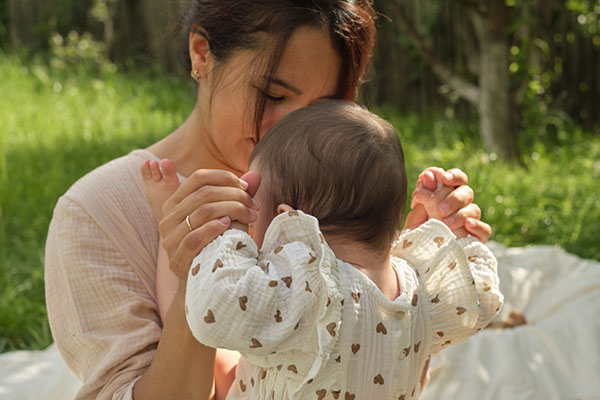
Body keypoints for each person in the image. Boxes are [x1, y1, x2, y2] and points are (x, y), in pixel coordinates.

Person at [44, 1, 491, 399]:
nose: (289, 129)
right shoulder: (98, 214)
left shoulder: (329, 179)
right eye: (273, 94)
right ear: (201, 54)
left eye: (324, 107)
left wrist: (405, 261)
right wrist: (190, 272)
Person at [142, 101, 503, 399]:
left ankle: (170, 231)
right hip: (287, 373)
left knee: (205, 324)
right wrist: (452, 236)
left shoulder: (307, 290)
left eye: (255, 207)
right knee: (231, 367)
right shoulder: (419, 291)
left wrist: (222, 233)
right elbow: (479, 291)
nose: (252, 230)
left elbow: (215, 308)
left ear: (289, 223)